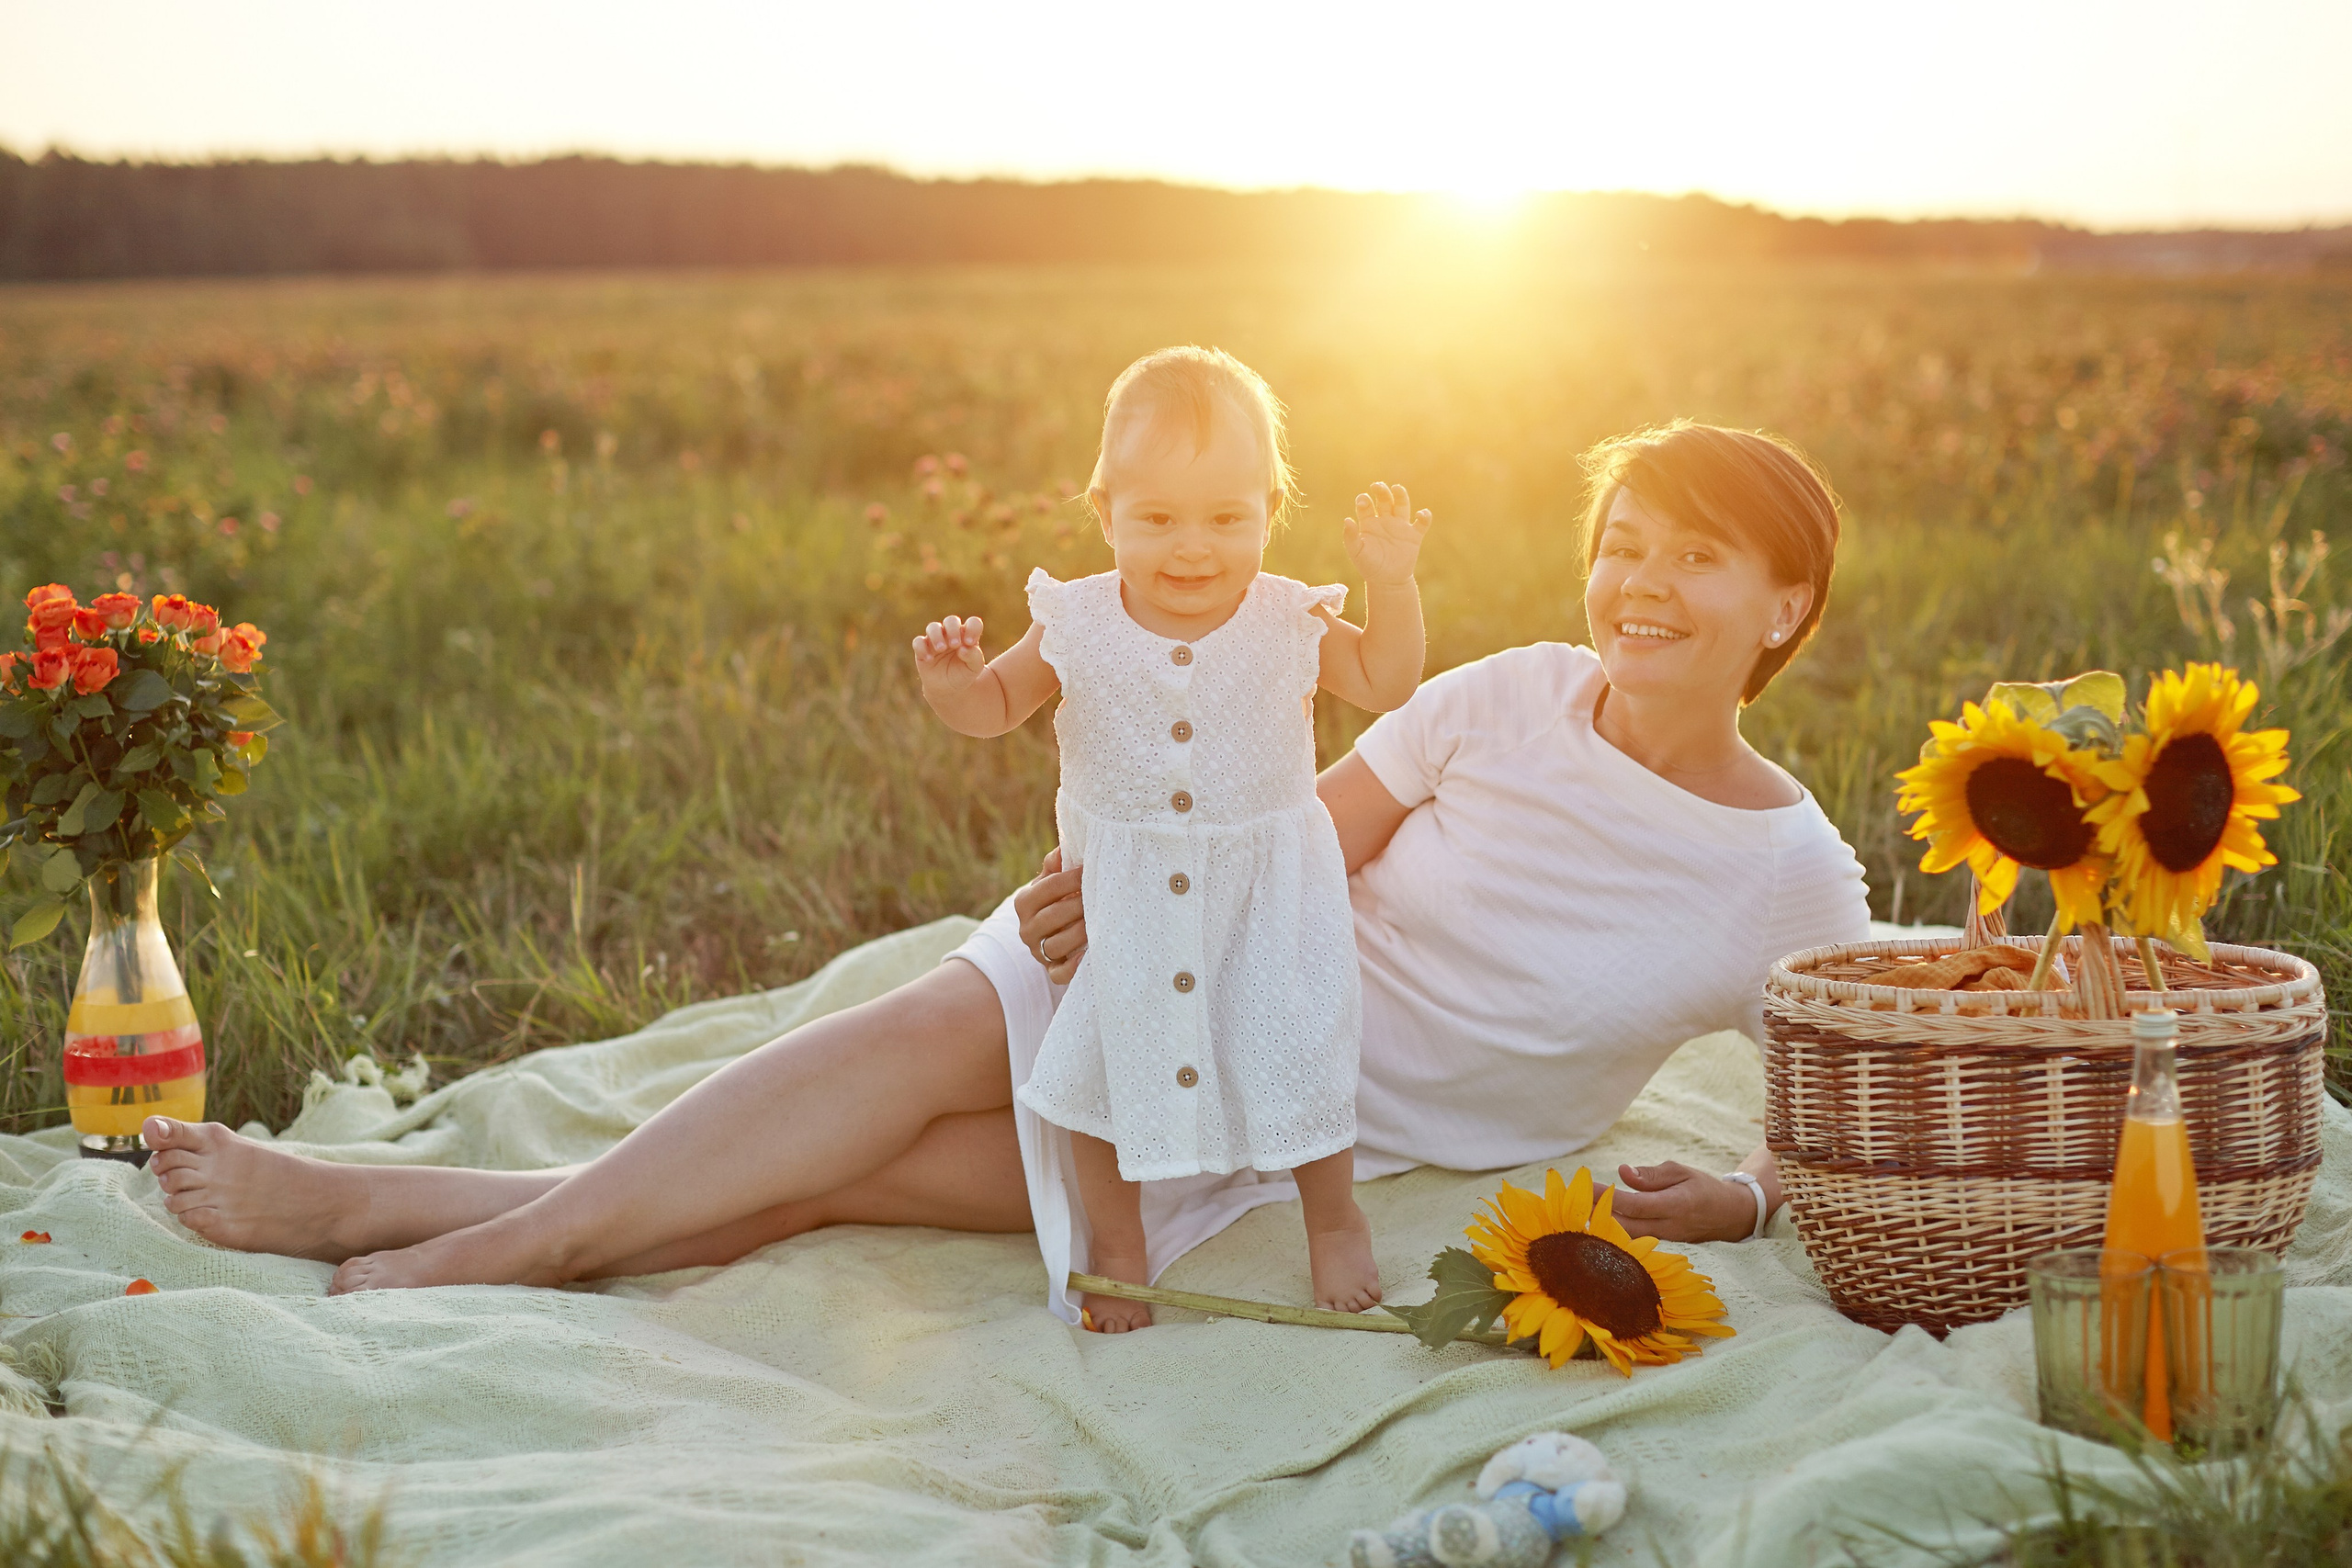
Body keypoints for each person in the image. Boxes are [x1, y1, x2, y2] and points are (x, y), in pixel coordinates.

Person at [141, 418, 1869, 1317]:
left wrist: (1746, 1197)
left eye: (1697, 559)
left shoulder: (1787, 873)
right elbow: (1284, 836)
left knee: (836, 1183)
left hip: (1279, 1122)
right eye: (1623, 545)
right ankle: (470, 1237)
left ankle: (406, 1214)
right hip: (1170, 962)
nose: (1642, 586)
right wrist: (1106, 901)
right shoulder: (1504, 695)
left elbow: (1867, 1102)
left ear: (1785, 602)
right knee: (899, 1050)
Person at [910, 346, 1430, 1326]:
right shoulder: (1075, 621)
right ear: (1105, 513)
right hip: (1125, 900)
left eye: (1227, 519)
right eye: (1157, 519)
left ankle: (1332, 1219)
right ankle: (1119, 1241)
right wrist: (954, 687)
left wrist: (1391, 585)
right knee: (1104, 1062)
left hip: (1267, 895)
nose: (1193, 548)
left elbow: (1386, 681)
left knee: (1296, 1048)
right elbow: (995, 706)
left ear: (1271, 512)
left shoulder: (1288, 618)